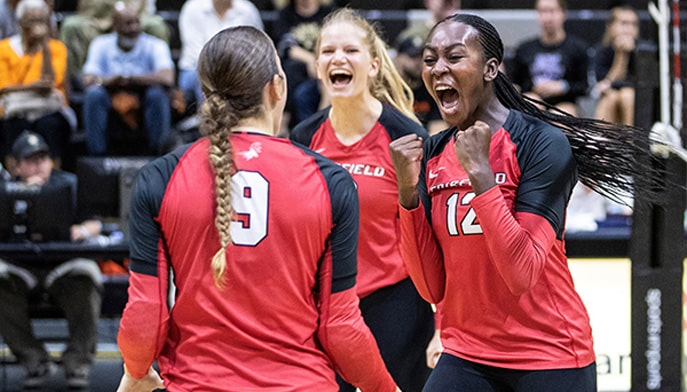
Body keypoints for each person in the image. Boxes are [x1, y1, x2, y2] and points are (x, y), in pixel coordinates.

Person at [115, 25, 399, 392]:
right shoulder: (331, 181)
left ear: (206, 93)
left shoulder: (161, 177)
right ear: (277, 87)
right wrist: (384, 388)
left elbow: (144, 317)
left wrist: (136, 370)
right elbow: (340, 327)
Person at [389, 12, 662, 392]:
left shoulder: (541, 144)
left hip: (549, 354)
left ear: (490, 69)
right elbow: (432, 288)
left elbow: (521, 272)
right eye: (431, 59)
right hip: (467, 353)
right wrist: (407, 197)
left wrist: (481, 177)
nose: (438, 69)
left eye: (454, 57)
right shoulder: (433, 156)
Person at [290, 8, 434, 392]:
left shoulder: (406, 136)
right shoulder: (303, 138)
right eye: (328, 52)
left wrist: (447, 323)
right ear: (318, 65)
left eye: (350, 51)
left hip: (395, 301)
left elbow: (430, 233)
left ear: (372, 65)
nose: (338, 59)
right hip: (324, 303)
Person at [0, 130, 103, 389]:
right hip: (19, 264)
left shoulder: (69, 184)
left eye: (43, 159)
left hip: (63, 262)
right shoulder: (4, 190)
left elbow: (95, 223)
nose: (39, 166)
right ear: (17, 165)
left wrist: (81, 231)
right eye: (31, 160)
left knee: (87, 274)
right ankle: (33, 358)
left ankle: (77, 362)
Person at [80, 1, 174, 156]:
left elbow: (167, 77)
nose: (134, 28)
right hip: (111, 96)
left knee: (156, 94)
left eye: (136, 22)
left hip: (144, 97)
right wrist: (111, 81)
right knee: (93, 95)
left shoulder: (154, 44)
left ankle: (158, 154)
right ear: (115, 26)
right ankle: (97, 156)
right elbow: (88, 80)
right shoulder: (101, 44)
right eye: (128, 24)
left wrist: (129, 78)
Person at [0, 0, 73, 171]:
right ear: (20, 22)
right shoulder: (4, 48)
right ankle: (14, 180)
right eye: (33, 20)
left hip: (49, 108)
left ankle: (54, 180)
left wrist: (45, 45)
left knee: (50, 125)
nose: (38, 26)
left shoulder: (57, 48)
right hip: (13, 109)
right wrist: (34, 87)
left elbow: (50, 84)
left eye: (42, 20)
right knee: (12, 125)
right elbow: (3, 87)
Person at [177, 0, 263, 109]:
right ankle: (211, 122)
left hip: (237, 69)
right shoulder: (192, 8)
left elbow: (256, 48)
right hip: (194, 69)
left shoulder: (248, 10)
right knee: (206, 78)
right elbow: (197, 52)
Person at [508, 0, 589, 116]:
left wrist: (562, 86)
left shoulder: (577, 48)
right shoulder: (524, 48)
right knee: (530, 107)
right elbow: (514, 83)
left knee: (561, 115)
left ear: (563, 14)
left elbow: (584, 87)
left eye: (552, 11)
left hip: (564, 102)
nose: (547, 17)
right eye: (542, 11)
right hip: (533, 100)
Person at [59, 0, 169, 83]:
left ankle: (160, 76)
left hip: (131, 14)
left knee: (156, 25)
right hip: (95, 21)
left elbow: (139, 6)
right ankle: (76, 82)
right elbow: (87, 8)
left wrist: (124, 13)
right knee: (70, 26)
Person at [273, 0, 335, 131]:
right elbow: (285, 46)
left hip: (325, 67)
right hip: (296, 71)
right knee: (293, 72)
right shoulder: (286, 14)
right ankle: (287, 122)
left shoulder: (329, 12)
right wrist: (310, 59)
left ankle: (319, 125)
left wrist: (318, 62)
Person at [591, 5, 639, 126]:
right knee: (611, 97)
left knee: (627, 95)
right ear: (611, 26)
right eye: (624, 23)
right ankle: (604, 142)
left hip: (634, 102)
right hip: (610, 101)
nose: (629, 29)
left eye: (634, 24)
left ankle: (632, 141)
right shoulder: (602, 51)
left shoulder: (643, 52)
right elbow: (605, 84)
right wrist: (621, 54)